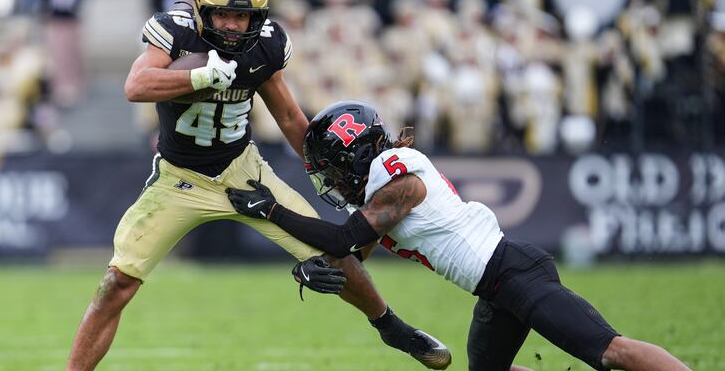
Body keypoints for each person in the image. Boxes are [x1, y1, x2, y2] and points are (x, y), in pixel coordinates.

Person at [66, 0, 450, 371]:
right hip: (179, 177)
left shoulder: (263, 47)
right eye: (224, 14)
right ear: (201, 10)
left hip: (242, 168)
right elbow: (136, 86)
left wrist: (332, 178)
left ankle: (391, 326)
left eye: (242, 16)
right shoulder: (176, 32)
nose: (232, 25)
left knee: (334, 253)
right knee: (116, 282)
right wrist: (200, 77)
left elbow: (287, 116)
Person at [226, 100, 693, 371]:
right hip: (494, 288)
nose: (330, 179)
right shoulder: (382, 183)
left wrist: (274, 211)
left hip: (512, 272)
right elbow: (352, 250)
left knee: (611, 351)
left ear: (354, 156)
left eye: (330, 168)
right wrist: (321, 269)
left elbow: (344, 235)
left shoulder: (397, 176)